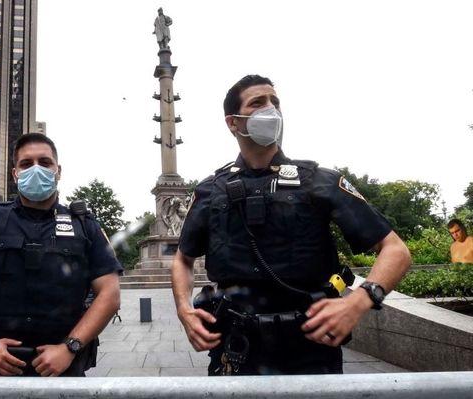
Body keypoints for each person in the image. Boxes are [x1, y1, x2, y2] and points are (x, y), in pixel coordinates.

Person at [171, 74, 411, 375]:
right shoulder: (210, 190)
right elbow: (182, 259)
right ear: (233, 122)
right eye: (257, 103)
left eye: (275, 102)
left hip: (311, 348)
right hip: (235, 348)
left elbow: (396, 250)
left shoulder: (320, 181)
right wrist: (184, 309)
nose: (270, 109)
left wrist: (360, 301)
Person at [0, 133, 122, 377]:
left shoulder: (85, 226)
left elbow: (110, 293)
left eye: (45, 162)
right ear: (15, 173)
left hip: (61, 370)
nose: (36, 169)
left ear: (58, 170)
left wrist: (70, 347)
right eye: (26, 164)